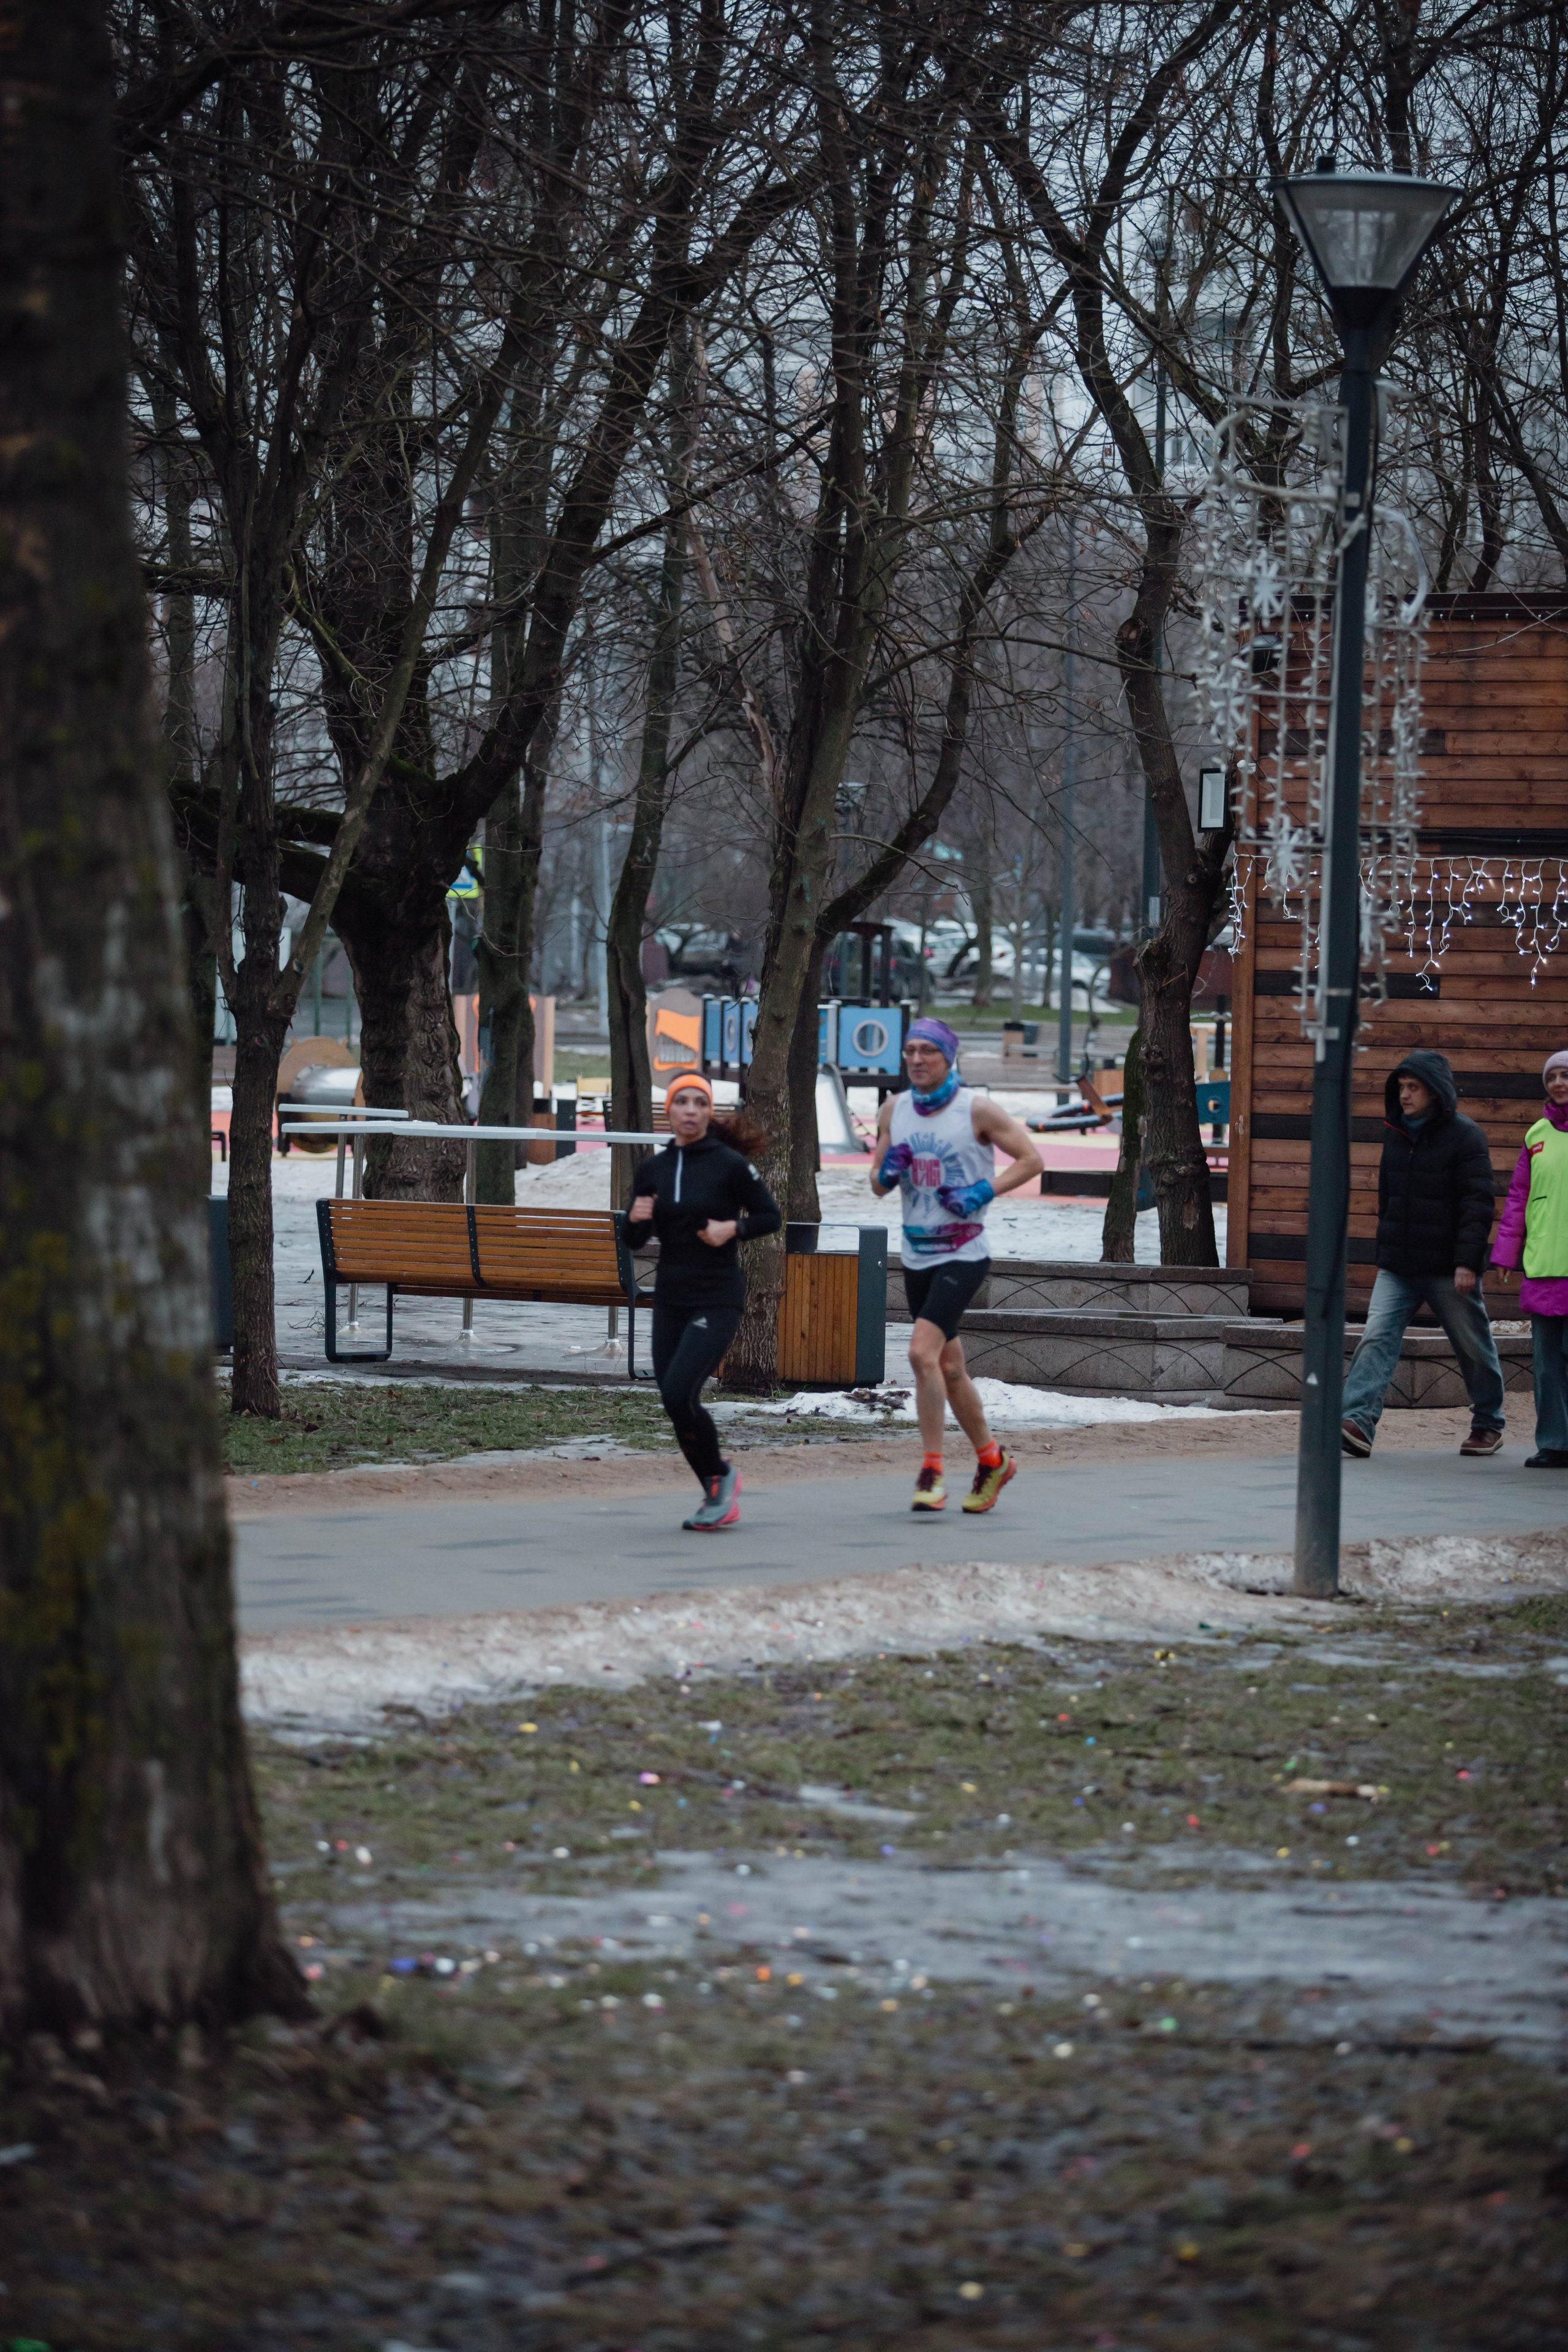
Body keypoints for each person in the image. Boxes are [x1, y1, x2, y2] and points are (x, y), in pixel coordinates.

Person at [870, 1016, 1043, 1511]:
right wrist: (889, 1168)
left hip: (964, 1253)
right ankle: (993, 1460)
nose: (918, 1060)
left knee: (921, 1354)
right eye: (910, 1051)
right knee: (949, 1367)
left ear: (948, 1057)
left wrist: (982, 1191)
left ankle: (932, 1470)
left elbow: (1031, 1160)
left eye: (928, 1051)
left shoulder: (977, 1109)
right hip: (917, 1255)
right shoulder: (894, 1110)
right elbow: (878, 1186)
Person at [628, 1072, 780, 1530]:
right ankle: (717, 1481)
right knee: (673, 1399)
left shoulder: (729, 1164)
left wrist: (730, 1229)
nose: (690, 1110)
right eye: (682, 1102)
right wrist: (635, 1219)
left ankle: (719, 1480)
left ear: (709, 1112)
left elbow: (770, 1216)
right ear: (670, 1111)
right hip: (671, 1297)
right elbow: (634, 1238)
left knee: (680, 1390)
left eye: (699, 1103)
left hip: (717, 1296)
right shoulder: (652, 1169)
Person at [1340, 1048, 1505, 1459]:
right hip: (1398, 1265)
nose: (1405, 1096)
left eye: (1413, 1088)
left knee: (1472, 1344)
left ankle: (1488, 1422)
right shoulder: (1394, 1133)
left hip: (1449, 1267)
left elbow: (1477, 1204)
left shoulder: (1467, 1136)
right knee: (1376, 1335)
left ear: (1435, 1092)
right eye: (1401, 1088)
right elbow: (1388, 1195)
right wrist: (1385, 1246)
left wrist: (1468, 1262)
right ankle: (1358, 1421)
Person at [1487, 1049, 1568, 1466]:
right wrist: (1505, 1253)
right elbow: (1518, 1198)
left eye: (1565, 1075)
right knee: (1547, 1365)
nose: (1558, 1083)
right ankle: (1554, 1443)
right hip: (1544, 1267)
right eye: (1552, 1077)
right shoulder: (1536, 1135)